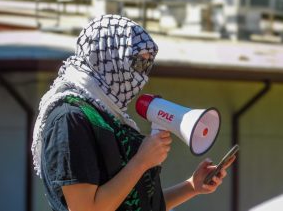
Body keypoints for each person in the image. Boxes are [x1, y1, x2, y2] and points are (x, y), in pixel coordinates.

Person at [32, 14, 235, 211]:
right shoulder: (71, 118)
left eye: (147, 64)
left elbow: (136, 204)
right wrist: (141, 161)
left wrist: (192, 186)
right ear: (107, 56)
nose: (141, 75)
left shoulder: (111, 117)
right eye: (137, 62)